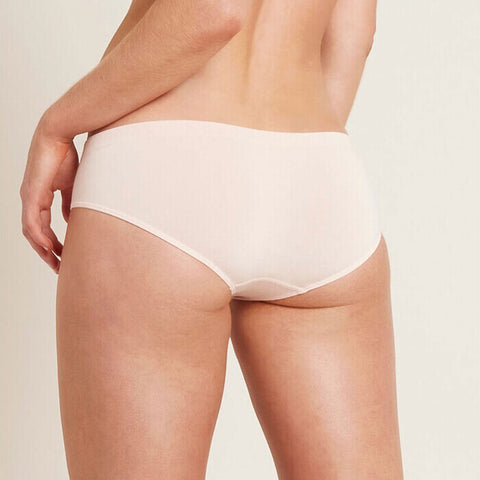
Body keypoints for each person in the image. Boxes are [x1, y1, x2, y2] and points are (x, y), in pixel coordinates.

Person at [19, 0, 404, 478]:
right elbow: (355, 32)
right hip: (317, 175)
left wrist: (56, 126)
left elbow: (214, 10)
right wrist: (287, 179)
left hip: (164, 173)